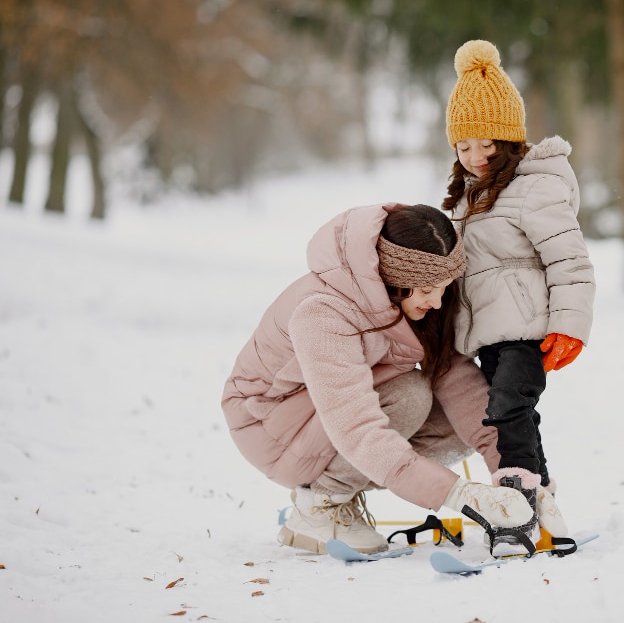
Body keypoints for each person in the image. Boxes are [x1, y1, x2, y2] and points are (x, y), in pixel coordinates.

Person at [221, 203, 564, 555]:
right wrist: (460, 495)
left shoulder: (419, 303)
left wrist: (517, 476)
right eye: (427, 289)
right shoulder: (322, 311)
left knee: (459, 421)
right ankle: (320, 507)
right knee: (410, 395)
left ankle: (337, 493)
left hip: (337, 416)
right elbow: (356, 427)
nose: (437, 301)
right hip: (270, 424)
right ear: (393, 277)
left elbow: (461, 386)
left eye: (444, 287)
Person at [441, 40, 596, 555]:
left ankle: (514, 513)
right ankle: (544, 507)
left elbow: (569, 261)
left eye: (486, 144)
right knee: (517, 417)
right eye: (464, 146)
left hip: (531, 331)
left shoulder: (536, 188)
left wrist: (570, 325)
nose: (475, 156)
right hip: (489, 333)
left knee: (506, 408)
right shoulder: (468, 197)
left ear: (508, 139)